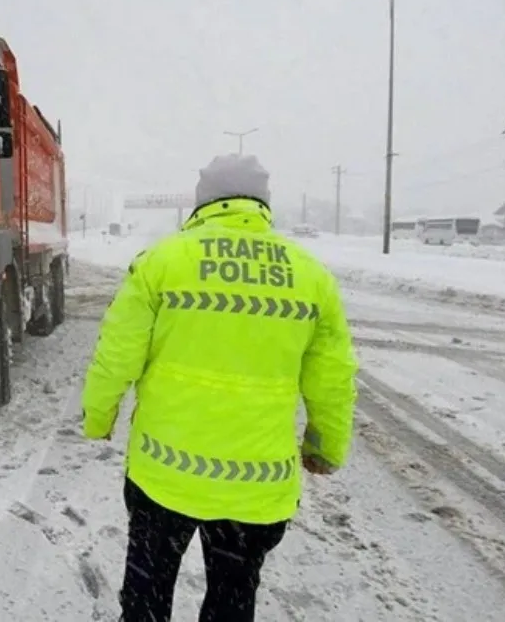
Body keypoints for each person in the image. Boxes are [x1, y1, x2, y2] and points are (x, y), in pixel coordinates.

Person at [81, 154, 358, 622]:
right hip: (256, 489)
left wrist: (98, 418)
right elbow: (332, 378)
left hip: (163, 477)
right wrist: (325, 447)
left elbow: (116, 355)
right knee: (233, 599)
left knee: (147, 593)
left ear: (203, 201)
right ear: (262, 203)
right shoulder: (310, 276)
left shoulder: (163, 261)